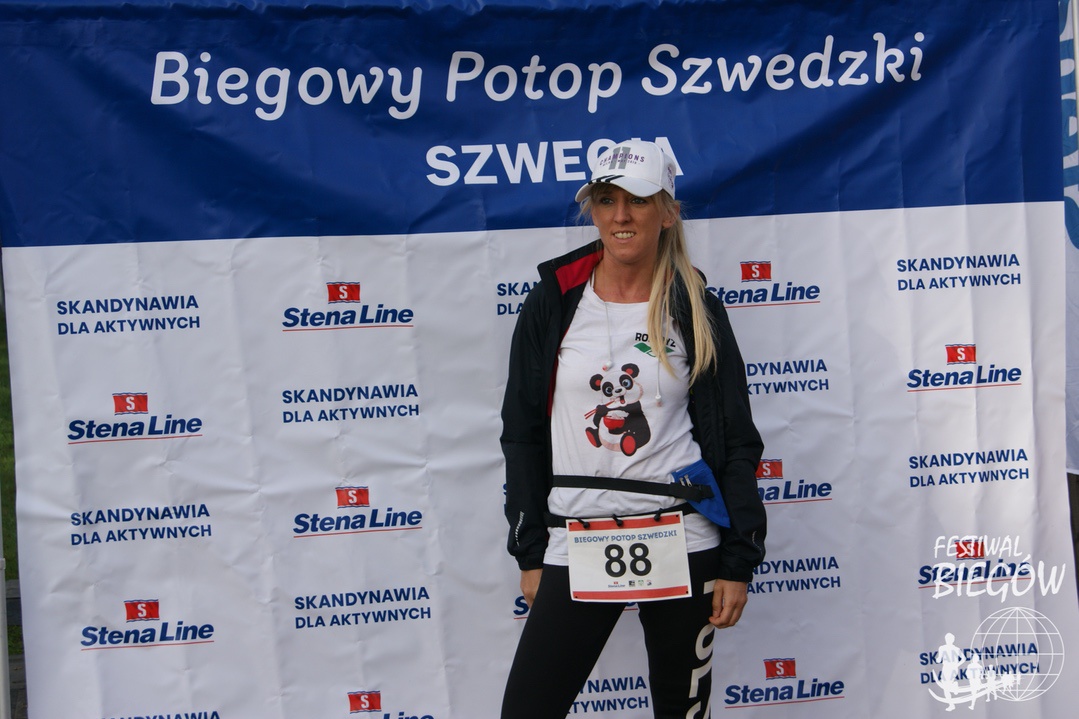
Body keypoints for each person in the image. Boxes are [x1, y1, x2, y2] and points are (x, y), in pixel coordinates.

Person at [500, 139, 766, 719]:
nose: (621, 215)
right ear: (592, 210)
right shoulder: (554, 299)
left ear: (667, 212)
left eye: (638, 200)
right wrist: (530, 550)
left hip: (682, 538)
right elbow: (521, 433)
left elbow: (735, 440)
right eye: (606, 199)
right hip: (576, 534)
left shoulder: (694, 306)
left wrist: (738, 559)